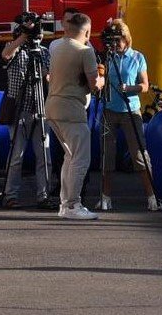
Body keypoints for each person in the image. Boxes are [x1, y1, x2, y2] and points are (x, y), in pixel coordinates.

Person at [98, 18, 162, 212]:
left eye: (119, 40)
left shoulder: (137, 57)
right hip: (109, 110)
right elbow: (99, 79)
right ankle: (105, 197)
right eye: (112, 41)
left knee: (139, 153)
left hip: (130, 110)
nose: (115, 44)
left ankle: (152, 197)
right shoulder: (106, 57)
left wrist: (130, 88)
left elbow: (145, 85)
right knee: (107, 154)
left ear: (126, 39)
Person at [44, 12, 101, 221]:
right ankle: (72, 204)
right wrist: (101, 82)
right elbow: (94, 84)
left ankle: (64, 203)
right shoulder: (85, 51)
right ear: (86, 31)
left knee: (69, 156)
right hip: (71, 109)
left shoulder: (56, 47)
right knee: (80, 158)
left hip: (52, 106)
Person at [0, 12, 51, 209]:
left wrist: (48, 76)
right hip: (19, 109)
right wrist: (24, 36)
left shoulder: (43, 52)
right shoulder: (15, 50)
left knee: (44, 156)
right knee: (16, 157)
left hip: (40, 107)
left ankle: (43, 195)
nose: (39, 35)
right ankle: (10, 195)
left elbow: (49, 77)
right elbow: (5, 55)